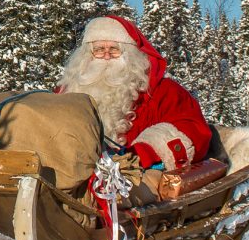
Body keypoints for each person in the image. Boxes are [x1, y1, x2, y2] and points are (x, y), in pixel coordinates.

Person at [56, 15, 211, 171]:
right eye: (99, 50)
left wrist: (143, 153)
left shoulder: (164, 91)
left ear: (130, 54)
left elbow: (193, 130)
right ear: (86, 56)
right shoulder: (67, 92)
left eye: (114, 49)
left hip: (137, 183)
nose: (107, 55)